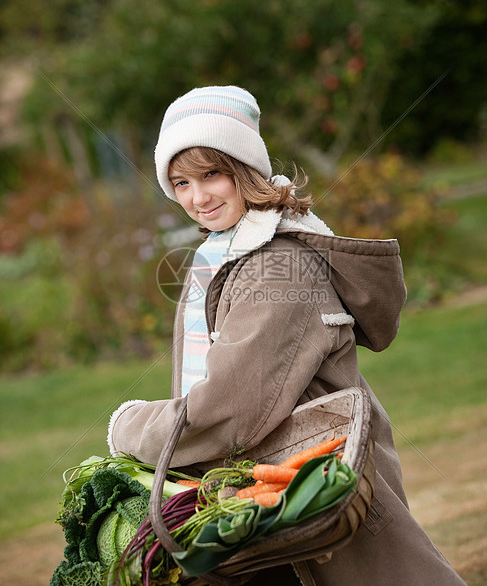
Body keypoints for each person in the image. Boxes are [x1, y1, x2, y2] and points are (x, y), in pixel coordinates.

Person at [107, 86, 466, 585]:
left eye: (211, 174)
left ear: (245, 170)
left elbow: (229, 411)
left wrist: (128, 426)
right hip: (266, 498)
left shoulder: (277, 267)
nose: (197, 197)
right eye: (181, 182)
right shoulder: (221, 253)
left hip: (311, 493)